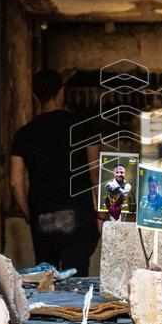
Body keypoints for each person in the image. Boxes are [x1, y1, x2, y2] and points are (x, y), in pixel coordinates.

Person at [11, 69, 100, 274]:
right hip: (78, 215)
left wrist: (29, 213)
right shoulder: (85, 127)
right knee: (76, 278)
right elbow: (96, 172)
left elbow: (15, 181)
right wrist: (102, 215)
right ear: (61, 92)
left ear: (35, 97)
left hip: (42, 218)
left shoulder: (24, 134)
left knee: (46, 278)